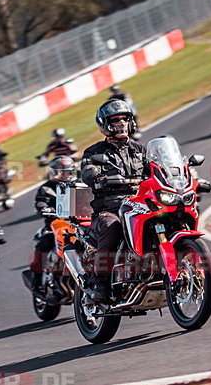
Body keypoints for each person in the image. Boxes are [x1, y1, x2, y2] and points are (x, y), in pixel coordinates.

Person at [80, 98, 148, 303]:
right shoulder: (95, 152)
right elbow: (87, 170)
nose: (121, 124)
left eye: (125, 120)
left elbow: (157, 168)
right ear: (105, 125)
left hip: (140, 205)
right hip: (110, 209)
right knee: (113, 227)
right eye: (116, 120)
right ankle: (101, 284)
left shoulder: (140, 150)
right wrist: (98, 178)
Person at [21, 155, 77, 297]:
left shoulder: (79, 185)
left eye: (68, 172)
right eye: (61, 172)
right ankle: (37, 283)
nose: (65, 175)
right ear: (53, 172)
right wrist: (44, 208)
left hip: (78, 225)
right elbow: (40, 202)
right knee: (43, 245)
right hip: (54, 227)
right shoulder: (47, 188)